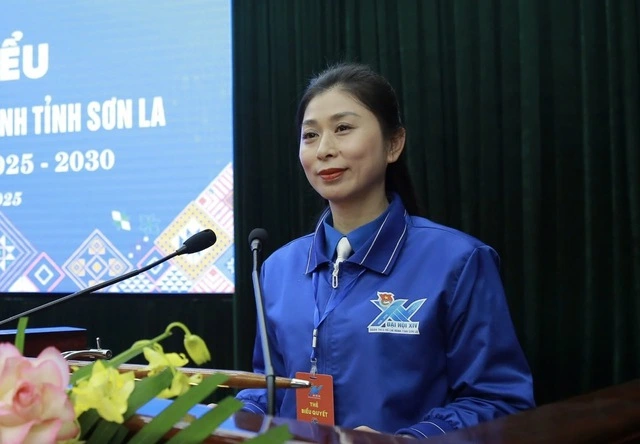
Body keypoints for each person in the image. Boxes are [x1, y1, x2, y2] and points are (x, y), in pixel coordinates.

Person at [235, 62, 535, 438]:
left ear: (393, 144)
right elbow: (270, 386)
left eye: (343, 129)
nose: (324, 149)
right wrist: (234, 416)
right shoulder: (278, 268)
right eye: (310, 135)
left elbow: (499, 401)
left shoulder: (457, 262)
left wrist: (406, 440)